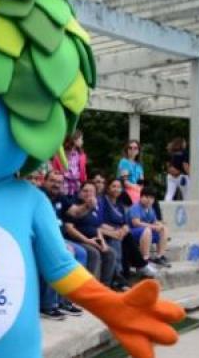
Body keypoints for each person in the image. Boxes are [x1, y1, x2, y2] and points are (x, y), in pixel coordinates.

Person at [38, 171, 85, 319]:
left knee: (82, 253)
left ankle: (65, 301)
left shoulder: (60, 197)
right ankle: (48, 305)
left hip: (59, 239)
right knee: (60, 254)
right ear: (44, 181)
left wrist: (87, 206)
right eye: (52, 181)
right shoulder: (38, 196)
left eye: (59, 182)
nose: (56, 185)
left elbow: (75, 212)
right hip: (41, 239)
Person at [97, 178, 158, 289]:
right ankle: (122, 274)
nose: (116, 189)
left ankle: (126, 273)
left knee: (126, 236)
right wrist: (116, 230)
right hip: (106, 232)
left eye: (119, 187)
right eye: (113, 186)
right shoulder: (102, 202)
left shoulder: (119, 204)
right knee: (119, 239)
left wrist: (124, 229)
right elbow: (100, 223)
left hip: (118, 232)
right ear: (108, 188)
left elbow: (125, 223)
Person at [61, 182, 118, 287]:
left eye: (91, 192)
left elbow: (97, 228)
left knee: (110, 253)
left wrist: (103, 243)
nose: (88, 194)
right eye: (85, 191)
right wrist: (87, 241)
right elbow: (70, 229)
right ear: (79, 192)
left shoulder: (93, 207)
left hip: (93, 239)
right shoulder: (73, 205)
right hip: (78, 240)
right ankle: (91, 287)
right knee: (94, 253)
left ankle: (104, 286)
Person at [127, 186, 170, 267]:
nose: (149, 200)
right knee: (147, 230)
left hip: (146, 233)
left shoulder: (150, 209)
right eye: (146, 197)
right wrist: (152, 226)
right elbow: (136, 223)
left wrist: (160, 225)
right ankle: (145, 258)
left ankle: (160, 256)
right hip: (132, 233)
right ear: (141, 197)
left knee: (163, 229)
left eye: (151, 198)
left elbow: (154, 221)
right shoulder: (135, 207)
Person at [50, 130, 86, 197]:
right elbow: (55, 169)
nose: (82, 141)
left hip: (76, 187)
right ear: (74, 140)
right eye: (81, 139)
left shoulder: (81, 155)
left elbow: (82, 171)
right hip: (63, 185)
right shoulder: (61, 153)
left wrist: (82, 180)